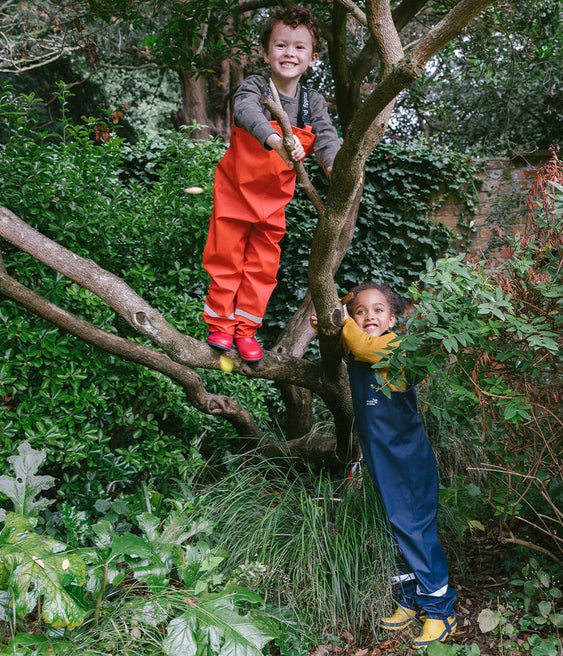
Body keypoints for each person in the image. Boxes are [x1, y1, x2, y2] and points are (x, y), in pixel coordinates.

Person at [315, 282, 457, 649]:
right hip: (382, 461)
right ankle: (410, 601)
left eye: (379, 310)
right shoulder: (359, 344)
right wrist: (329, 321)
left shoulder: (392, 347)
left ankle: (441, 613)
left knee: (416, 531)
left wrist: (341, 315)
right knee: (396, 529)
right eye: (361, 311)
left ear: (393, 319)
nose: (368, 317)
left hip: (407, 462)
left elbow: (361, 344)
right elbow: (352, 342)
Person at [203, 5, 340, 362]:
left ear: (312, 57)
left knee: (262, 267)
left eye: (298, 47)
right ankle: (220, 325)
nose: (289, 53)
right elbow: (245, 110)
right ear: (266, 52)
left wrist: (334, 166)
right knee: (225, 258)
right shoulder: (255, 87)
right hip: (235, 192)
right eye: (281, 45)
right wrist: (276, 139)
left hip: (273, 202)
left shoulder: (313, 102)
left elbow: (326, 138)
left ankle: (246, 331)